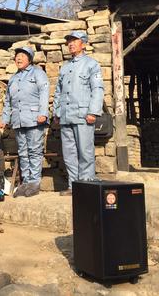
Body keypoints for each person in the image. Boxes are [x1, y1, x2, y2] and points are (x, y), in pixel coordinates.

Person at [53, 31, 104, 195]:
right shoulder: (65, 67)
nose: (71, 44)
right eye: (69, 41)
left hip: (83, 115)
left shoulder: (91, 64)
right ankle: (73, 185)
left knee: (85, 151)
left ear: (84, 43)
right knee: (69, 154)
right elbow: (58, 92)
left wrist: (93, 112)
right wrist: (57, 112)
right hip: (66, 116)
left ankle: (86, 185)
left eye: (74, 41)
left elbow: (97, 89)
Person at [0, 46, 49, 197]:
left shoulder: (38, 73)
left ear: (30, 59)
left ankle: (34, 183)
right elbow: (8, 101)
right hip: (18, 121)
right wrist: (4, 119)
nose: (18, 59)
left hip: (34, 119)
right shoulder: (13, 78)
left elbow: (44, 93)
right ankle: (26, 182)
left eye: (22, 56)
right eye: (17, 56)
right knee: (23, 152)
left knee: (34, 150)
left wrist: (43, 113)